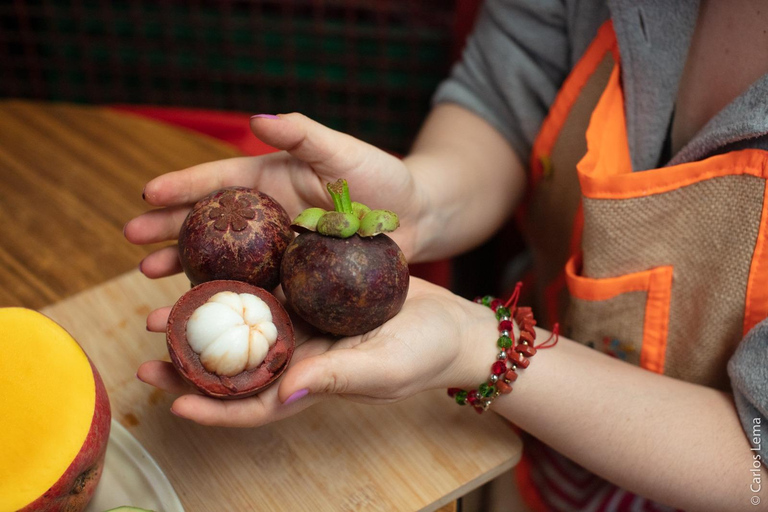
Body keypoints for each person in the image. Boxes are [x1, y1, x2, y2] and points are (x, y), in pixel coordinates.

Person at [124, 0, 768, 510]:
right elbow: (502, 95)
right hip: (508, 441)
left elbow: (758, 471)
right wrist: (424, 202)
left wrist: (479, 345)